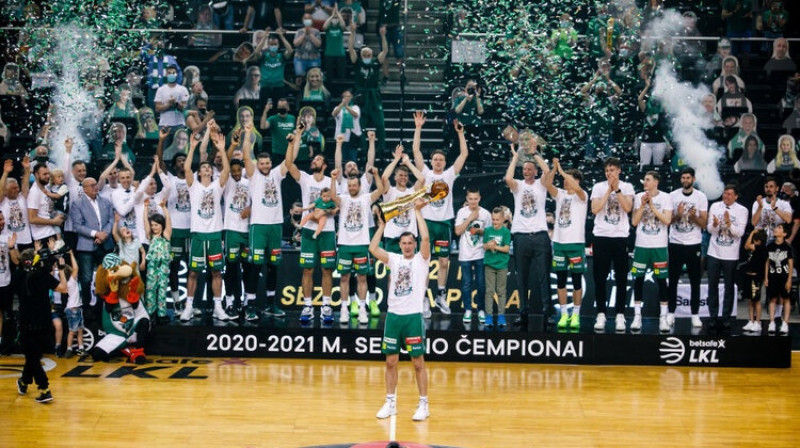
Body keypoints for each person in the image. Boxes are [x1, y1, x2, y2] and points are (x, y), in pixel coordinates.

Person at [369, 197, 432, 422]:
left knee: (418, 363)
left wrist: (418, 212)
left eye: (409, 242)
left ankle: (424, 404)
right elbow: (372, 248)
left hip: (413, 317)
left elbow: (425, 236)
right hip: (394, 317)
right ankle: (390, 402)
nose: (407, 245)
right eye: (404, 243)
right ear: (400, 245)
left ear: (414, 244)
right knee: (390, 361)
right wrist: (383, 226)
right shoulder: (393, 259)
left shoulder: (422, 259)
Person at [412, 111, 469, 318]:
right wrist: (418, 128)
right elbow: (416, 151)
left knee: (444, 262)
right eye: (435, 159)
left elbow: (463, 156)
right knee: (425, 261)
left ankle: (440, 295)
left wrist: (460, 134)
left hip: (444, 222)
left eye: (440, 159)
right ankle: (423, 298)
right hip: (427, 222)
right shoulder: (426, 174)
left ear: (444, 162)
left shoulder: (449, 175)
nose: (437, 162)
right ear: (432, 161)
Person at [179, 126, 232, 321]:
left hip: (215, 234)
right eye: (203, 168)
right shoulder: (194, 187)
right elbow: (186, 169)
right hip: (198, 234)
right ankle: (188, 307)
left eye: (209, 167)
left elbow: (226, 170)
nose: (207, 169)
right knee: (193, 272)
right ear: (199, 173)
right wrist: (192, 147)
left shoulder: (218, 186)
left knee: (216, 272)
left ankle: (218, 307)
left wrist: (221, 149)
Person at [242, 125, 290, 321]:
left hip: (275, 225)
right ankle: (250, 304)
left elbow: (289, 161)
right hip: (259, 226)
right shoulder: (253, 175)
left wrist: (292, 141)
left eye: (267, 162)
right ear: (257, 164)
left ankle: (271, 303)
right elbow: (246, 156)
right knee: (254, 266)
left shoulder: (276, 174)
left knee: (273, 266)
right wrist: (247, 134)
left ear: (270, 163)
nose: (264, 165)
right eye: (261, 163)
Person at [286, 136, 336, 324]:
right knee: (307, 270)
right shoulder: (305, 179)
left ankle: (326, 306)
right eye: (314, 159)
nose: (314, 160)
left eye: (318, 159)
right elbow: (289, 164)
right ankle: (307, 306)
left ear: (324, 165)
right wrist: (292, 143)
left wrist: (327, 211)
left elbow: (338, 207)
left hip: (328, 230)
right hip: (308, 231)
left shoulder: (333, 183)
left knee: (326, 270)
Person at [504, 139, 551, 330]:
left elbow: (548, 172)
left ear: (535, 171)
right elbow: (508, 179)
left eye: (530, 169)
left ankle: (547, 314)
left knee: (544, 277)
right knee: (521, 278)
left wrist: (535, 154)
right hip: (521, 236)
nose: (527, 171)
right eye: (525, 169)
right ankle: (523, 313)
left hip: (540, 235)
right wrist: (515, 159)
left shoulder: (542, 184)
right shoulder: (518, 186)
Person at [330, 163, 384, 324]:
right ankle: (344, 309)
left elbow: (380, 190)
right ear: (347, 186)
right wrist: (333, 179)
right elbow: (333, 196)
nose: (352, 187)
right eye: (350, 185)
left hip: (362, 244)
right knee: (345, 277)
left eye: (355, 185)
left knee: (362, 277)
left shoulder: (366, 198)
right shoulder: (344, 198)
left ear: (360, 186)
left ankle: (362, 309)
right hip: (345, 245)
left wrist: (375, 175)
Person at [591, 157, 635, 332]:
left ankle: (620, 315)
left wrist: (616, 190)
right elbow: (595, 209)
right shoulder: (598, 187)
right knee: (599, 278)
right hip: (601, 236)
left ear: (619, 171)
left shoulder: (627, 187)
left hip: (620, 237)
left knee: (621, 278)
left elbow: (627, 208)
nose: (609, 173)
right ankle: (601, 314)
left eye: (612, 170)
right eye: (607, 170)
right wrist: (608, 191)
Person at [542, 159, 587, 330]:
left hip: (575, 243)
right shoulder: (560, 194)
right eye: (564, 179)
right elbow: (547, 183)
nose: (564, 182)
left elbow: (578, 190)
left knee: (576, 281)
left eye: (568, 179)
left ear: (576, 181)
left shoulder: (582, 196)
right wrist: (554, 168)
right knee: (561, 281)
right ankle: (564, 314)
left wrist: (562, 171)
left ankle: (576, 313)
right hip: (559, 243)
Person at [17, 242, 63, 404]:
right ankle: (23, 382)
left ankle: (44, 389)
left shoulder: (20, 276)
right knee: (33, 357)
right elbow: (64, 288)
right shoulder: (43, 275)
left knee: (32, 358)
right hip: (43, 324)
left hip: (27, 324)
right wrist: (61, 269)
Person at [631, 171, 673, 333]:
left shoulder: (666, 197)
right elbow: (634, 222)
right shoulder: (638, 196)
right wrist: (642, 205)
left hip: (659, 245)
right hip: (641, 245)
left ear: (656, 182)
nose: (644, 183)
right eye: (644, 180)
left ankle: (663, 317)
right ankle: (637, 316)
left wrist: (652, 206)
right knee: (638, 280)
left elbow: (667, 220)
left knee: (662, 281)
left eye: (647, 180)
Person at [69, 177, 114, 322]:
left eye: (96, 184)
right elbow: (77, 225)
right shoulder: (77, 204)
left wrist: (103, 235)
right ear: (84, 189)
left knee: (104, 278)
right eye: (92, 185)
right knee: (86, 278)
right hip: (86, 246)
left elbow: (111, 221)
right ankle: (87, 308)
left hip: (104, 243)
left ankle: (103, 306)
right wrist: (95, 234)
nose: (95, 187)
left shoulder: (106, 202)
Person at [668, 168, 708, 329]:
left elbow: (704, 224)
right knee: (673, 279)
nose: (685, 180)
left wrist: (693, 216)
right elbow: (667, 221)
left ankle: (695, 314)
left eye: (688, 177)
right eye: (683, 177)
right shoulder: (673, 196)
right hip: (676, 242)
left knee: (695, 280)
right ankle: (671, 313)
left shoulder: (701, 197)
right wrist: (678, 214)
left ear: (693, 179)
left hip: (693, 243)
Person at [706, 184, 749, 330]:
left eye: (730, 194)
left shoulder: (743, 210)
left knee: (729, 287)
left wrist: (729, 223)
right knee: (712, 286)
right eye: (725, 194)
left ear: (736, 196)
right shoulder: (715, 207)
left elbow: (740, 233)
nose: (726, 196)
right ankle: (712, 317)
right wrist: (716, 225)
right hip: (714, 252)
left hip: (731, 254)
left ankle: (726, 317)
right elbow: (710, 229)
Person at [349, 23, 389, 156]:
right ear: (361, 55)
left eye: (368, 53)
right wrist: (353, 33)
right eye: (364, 53)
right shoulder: (357, 62)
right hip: (360, 94)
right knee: (360, 124)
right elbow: (350, 49)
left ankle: (381, 148)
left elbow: (385, 51)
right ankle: (363, 149)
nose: (366, 54)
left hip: (374, 95)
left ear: (372, 55)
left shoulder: (376, 63)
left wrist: (383, 36)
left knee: (380, 123)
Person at [454, 187, 490, 325]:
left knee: (481, 284)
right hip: (465, 254)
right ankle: (468, 310)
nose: (473, 201)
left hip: (481, 253)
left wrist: (480, 231)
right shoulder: (462, 212)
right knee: (467, 284)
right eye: (470, 199)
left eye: (476, 199)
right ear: (467, 199)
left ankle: (481, 310)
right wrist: (470, 218)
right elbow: (457, 231)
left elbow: (489, 233)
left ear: (479, 198)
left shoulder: (486, 214)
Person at [380, 145, 425, 254]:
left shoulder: (412, 192)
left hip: (409, 238)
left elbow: (422, 179)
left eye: (405, 175)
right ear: (395, 177)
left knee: (410, 269)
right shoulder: (390, 191)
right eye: (400, 175)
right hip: (392, 237)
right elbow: (384, 177)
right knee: (391, 270)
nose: (403, 177)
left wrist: (407, 162)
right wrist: (396, 159)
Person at [482, 206, 512, 328]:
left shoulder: (506, 232)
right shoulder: (488, 231)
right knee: (489, 291)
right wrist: (488, 246)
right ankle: (488, 316)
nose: (495, 222)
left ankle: (501, 315)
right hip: (489, 264)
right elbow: (483, 246)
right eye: (493, 219)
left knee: (501, 292)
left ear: (503, 219)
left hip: (502, 265)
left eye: (497, 220)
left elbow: (506, 248)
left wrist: (495, 247)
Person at [143, 199, 172, 324]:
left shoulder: (166, 234)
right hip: (152, 266)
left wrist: (164, 208)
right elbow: (145, 221)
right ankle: (150, 313)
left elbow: (169, 220)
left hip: (163, 266)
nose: (154, 227)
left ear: (161, 225)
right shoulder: (150, 235)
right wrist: (145, 207)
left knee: (162, 290)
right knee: (150, 290)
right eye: (153, 225)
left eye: (157, 225)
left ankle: (161, 314)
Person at [764, 222, 792, 335]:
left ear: (784, 233)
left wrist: (789, 279)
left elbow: (790, 263)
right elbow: (767, 262)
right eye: (776, 227)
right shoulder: (770, 246)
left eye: (779, 228)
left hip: (784, 277)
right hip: (772, 276)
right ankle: (772, 322)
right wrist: (766, 277)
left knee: (785, 299)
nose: (776, 229)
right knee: (772, 299)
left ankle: (785, 323)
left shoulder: (787, 247)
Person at [741, 228, 767, 333]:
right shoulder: (755, 247)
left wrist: (752, 232)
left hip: (756, 277)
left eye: (755, 239)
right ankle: (751, 320)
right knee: (750, 300)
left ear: (759, 240)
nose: (753, 240)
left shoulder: (761, 248)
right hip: (748, 275)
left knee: (756, 300)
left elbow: (746, 245)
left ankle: (757, 322)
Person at [752, 177, 793, 241]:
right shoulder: (757, 203)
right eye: (766, 187)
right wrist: (760, 207)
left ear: (777, 188)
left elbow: (788, 220)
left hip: (776, 240)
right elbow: (754, 223)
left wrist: (775, 208)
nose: (768, 189)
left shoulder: (784, 204)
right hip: (760, 240)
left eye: (771, 187)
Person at [0, 211, 19, 350]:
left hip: (4, 282)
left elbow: (17, 261)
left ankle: (3, 343)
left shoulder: (8, 236)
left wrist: (11, 247)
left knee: (4, 314)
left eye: (2, 219)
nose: (2, 222)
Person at [154, 65, 190, 133]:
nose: (171, 75)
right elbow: (157, 108)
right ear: (166, 74)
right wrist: (169, 104)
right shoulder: (161, 90)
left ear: (177, 74)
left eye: (173, 73)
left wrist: (176, 104)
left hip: (179, 124)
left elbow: (186, 108)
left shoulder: (183, 89)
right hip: (164, 124)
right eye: (169, 73)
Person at [260, 98, 295, 164]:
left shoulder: (292, 118)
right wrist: (265, 111)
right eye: (280, 106)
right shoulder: (273, 118)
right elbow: (263, 126)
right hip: (277, 153)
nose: (282, 108)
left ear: (288, 107)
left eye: (284, 106)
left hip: (290, 152)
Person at [293, 13, 322, 88]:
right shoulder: (299, 31)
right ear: (302, 20)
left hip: (314, 58)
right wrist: (304, 34)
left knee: (314, 78)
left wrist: (310, 34)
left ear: (312, 20)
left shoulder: (316, 31)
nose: (307, 20)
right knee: (299, 78)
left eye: (309, 19)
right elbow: (295, 44)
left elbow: (318, 44)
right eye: (305, 19)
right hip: (300, 58)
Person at [61, 251, 82, 358]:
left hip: (76, 307)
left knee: (79, 330)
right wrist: (71, 255)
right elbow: (76, 268)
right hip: (73, 308)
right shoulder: (71, 282)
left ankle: (81, 348)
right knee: (72, 331)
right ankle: (69, 349)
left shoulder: (67, 283)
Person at [332, 90, 362, 163]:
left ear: (351, 97)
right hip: (341, 136)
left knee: (352, 157)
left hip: (353, 136)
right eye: (345, 96)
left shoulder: (355, 107)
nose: (347, 98)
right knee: (342, 157)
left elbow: (356, 115)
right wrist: (342, 105)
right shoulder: (337, 108)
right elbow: (334, 114)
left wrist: (347, 107)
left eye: (348, 96)